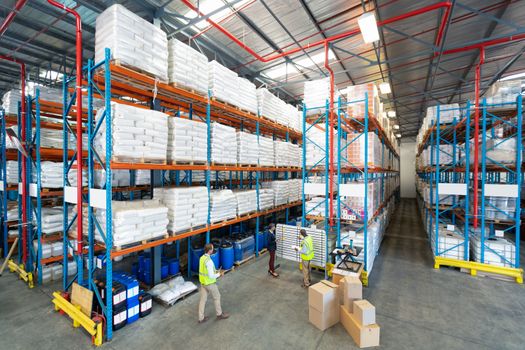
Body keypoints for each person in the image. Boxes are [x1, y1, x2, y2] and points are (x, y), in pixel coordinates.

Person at [198, 243, 229, 323]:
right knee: (217, 297)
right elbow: (211, 276)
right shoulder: (209, 261)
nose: (213, 249)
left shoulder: (202, 258)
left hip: (203, 283)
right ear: (210, 251)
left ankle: (201, 318)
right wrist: (219, 274)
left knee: (203, 300)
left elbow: (205, 270)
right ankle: (219, 314)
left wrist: (216, 271)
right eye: (212, 248)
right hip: (210, 283)